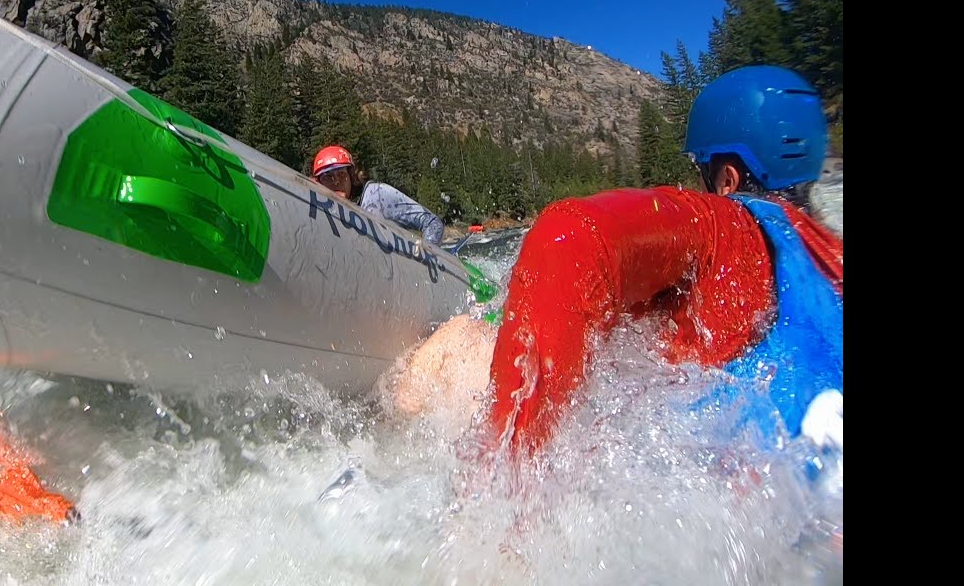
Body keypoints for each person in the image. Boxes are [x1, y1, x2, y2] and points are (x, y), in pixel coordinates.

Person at [397, 65, 842, 458]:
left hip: (705, 473)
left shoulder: (726, 222)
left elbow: (568, 235)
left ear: (727, 179)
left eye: (702, 171)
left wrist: (508, 493)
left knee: (455, 340)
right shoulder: (832, 262)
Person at [312, 145, 446, 244]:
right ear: (318, 182)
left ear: (351, 176)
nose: (336, 182)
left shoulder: (377, 195)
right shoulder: (321, 212)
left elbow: (432, 223)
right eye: (328, 177)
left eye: (341, 174)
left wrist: (425, 260)